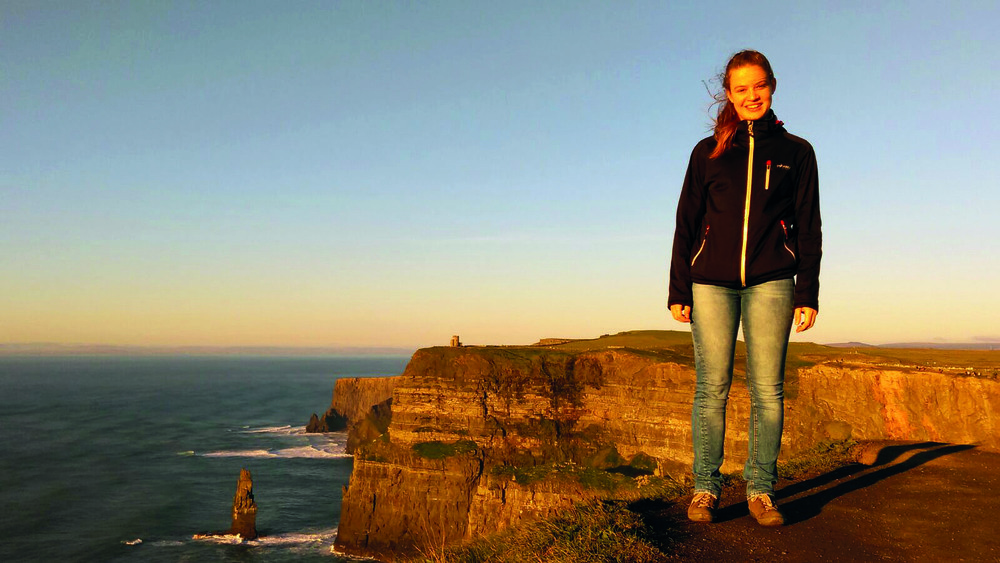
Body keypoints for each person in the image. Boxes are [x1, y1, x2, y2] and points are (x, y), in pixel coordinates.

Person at [667, 50, 822, 527]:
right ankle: (706, 489)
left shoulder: (797, 152)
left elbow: (809, 225)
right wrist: (679, 287)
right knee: (711, 388)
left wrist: (807, 290)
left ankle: (760, 490)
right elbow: (687, 220)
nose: (751, 95)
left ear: (772, 86)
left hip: (773, 280)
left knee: (767, 390)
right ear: (729, 95)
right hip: (710, 282)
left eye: (759, 86)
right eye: (741, 89)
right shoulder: (707, 151)